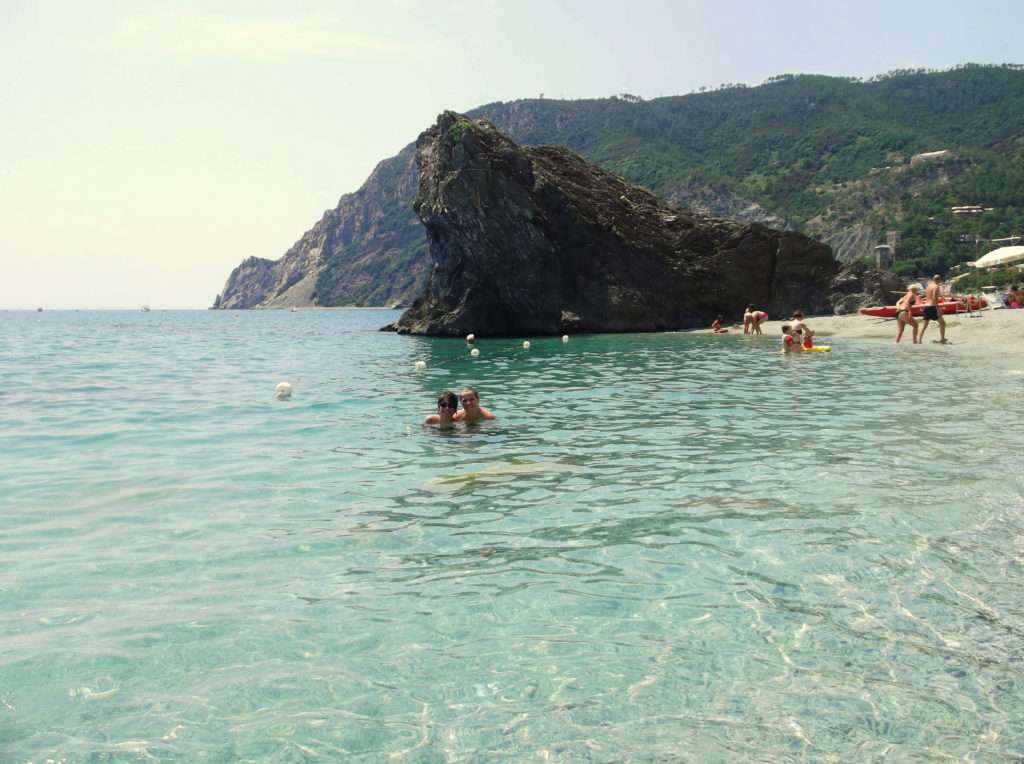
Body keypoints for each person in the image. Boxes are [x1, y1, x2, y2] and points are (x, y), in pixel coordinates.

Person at [919, 274, 948, 344]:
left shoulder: (928, 287)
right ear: (939, 280)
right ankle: (942, 339)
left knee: (924, 325)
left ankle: (919, 340)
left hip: (926, 306)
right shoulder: (936, 286)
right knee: (943, 323)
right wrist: (938, 308)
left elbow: (928, 296)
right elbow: (934, 298)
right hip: (932, 306)